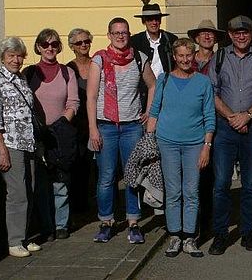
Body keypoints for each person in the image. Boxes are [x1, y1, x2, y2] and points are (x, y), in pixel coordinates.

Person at [207, 15, 252, 255]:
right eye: (236, 32)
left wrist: (247, 115)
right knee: (221, 184)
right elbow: (212, 93)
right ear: (229, 34)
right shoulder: (219, 57)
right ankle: (220, 234)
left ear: (251, 34)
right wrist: (232, 117)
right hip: (225, 127)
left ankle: (247, 233)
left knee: (249, 183)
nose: (241, 36)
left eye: (245, 32)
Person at [87, 17, 156, 244]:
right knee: (106, 177)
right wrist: (92, 129)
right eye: (116, 32)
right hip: (105, 126)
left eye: (124, 32)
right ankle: (106, 221)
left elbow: (153, 85)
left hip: (132, 127)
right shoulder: (99, 60)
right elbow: (91, 96)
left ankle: (133, 222)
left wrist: (148, 112)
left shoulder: (139, 58)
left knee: (132, 176)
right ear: (109, 35)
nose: (120, 36)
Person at [147, 38, 215, 258]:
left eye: (189, 55)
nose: (185, 60)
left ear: (194, 55)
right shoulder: (163, 79)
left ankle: (189, 238)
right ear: (174, 57)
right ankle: (174, 236)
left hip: (195, 143)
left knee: (192, 191)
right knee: (173, 192)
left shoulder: (203, 82)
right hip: (167, 142)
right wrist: (149, 140)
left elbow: (209, 116)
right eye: (181, 56)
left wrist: (207, 146)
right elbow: (154, 111)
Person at [0, 37, 42, 258]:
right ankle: (15, 240)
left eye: (19, 56)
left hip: (28, 142)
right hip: (10, 144)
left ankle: (24, 238)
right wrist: (2, 150)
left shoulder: (20, 79)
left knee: (30, 189)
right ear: (3, 57)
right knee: (17, 194)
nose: (16, 60)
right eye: (11, 56)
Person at [24, 29, 79, 240]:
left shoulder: (67, 73)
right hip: (37, 135)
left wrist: (61, 123)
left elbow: (73, 102)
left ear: (59, 47)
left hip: (60, 134)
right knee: (41, 184)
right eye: (45, 44)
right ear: (38, 47)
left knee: (60, 181)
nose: (50, 48)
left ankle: (62, 224)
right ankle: (47, 227)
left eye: (54, 44)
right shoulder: (29, 74)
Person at [66, 28, 93, 213]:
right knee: (79, 167)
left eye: (86, 41)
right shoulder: (68, 69)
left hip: (98, 121)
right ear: (72, 47)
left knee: (101, 168)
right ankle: (80, 209)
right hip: (77, 124)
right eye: (79, 43)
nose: (84, 45)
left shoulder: (98, 63)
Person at [131, 3, 178, 80]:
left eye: (157, 19)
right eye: (150, 19)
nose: (154, 22)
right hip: (144, 88)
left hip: (166, 86)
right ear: (144, 21)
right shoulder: (135, 41)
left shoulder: (171, 39)